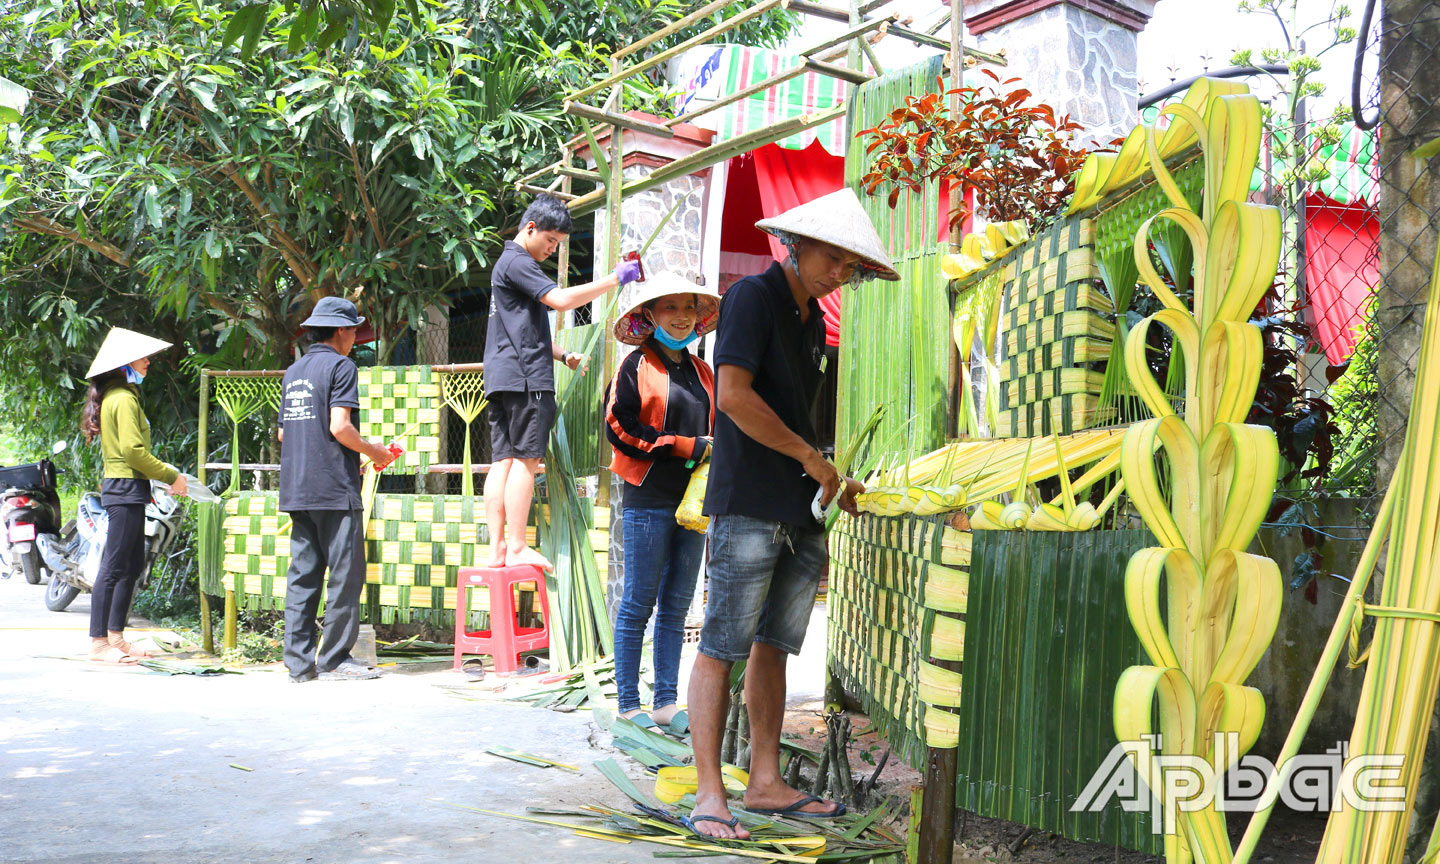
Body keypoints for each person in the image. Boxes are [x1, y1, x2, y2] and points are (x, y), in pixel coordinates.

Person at [685, 189, 900, 839]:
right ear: (796, 244)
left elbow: (799, 420)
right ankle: (707, 794)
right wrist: (812, 457)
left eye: (849, 265)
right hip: (748, 505)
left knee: (773, 648)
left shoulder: (811, 322)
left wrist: (833, 473)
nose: (840, 273)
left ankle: (767, 782)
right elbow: (733, 397)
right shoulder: (753, 298)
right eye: (832, 258)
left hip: (800, 510)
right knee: (721, 649)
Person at [484, 193, 644, 571]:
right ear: (531, 228)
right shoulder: (519, 261)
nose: (552, 249)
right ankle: (518, 545)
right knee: (526, 462)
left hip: (503, 376)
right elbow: (559, 300)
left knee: (502, 462)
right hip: (526, 380)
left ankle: (497, 550)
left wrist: (560, 354)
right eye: (551, 241)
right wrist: (613, 279)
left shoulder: (505, 265)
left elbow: (519, 330)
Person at [604, 272, 721, 734]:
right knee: (638, 602)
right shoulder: (634, 366)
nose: (681, 317)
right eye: (670, 308)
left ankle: (666, 702)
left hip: (694, 502)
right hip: (648, 499)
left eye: (688, 308)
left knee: (677, 606)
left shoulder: (703, 372)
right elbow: (619, 428)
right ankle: (629, 704)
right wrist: (684, 445)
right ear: (648, 315)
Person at [277, 297, 397, 683]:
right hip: (333, 488)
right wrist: (374, 451)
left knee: (303, 575)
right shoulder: (342, 366)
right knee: (346, 575)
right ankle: (333, 659)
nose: (354, 339)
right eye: (353, 331)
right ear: (341, 331)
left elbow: (284, 432)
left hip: (298, 486)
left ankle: (298, 665)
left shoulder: (294, 371)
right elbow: (340, 427)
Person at [80, 328, 189, 665]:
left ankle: (116, 637)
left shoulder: (119, 396)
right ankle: (99, 644)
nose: (147, 362)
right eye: (143, 358)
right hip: (124, 488)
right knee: (114, 567)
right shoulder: (123, 399)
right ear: (125, 363)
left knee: (130, 565)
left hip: (129, 488)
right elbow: (132, 451)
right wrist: (172, 476)